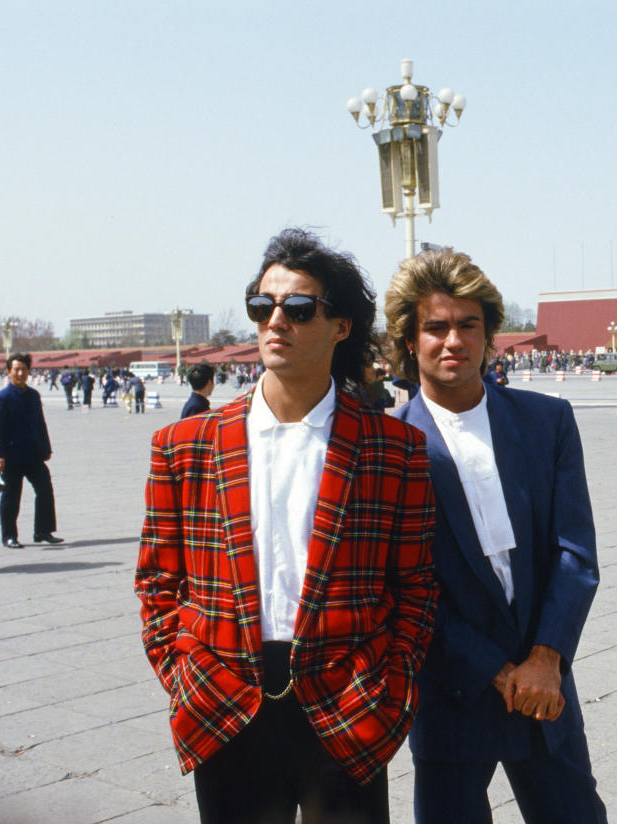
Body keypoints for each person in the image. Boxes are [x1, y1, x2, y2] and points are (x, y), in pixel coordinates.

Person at [135, 228, 437, 824]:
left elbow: (418, 587)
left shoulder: (393, 448)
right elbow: (156, 583)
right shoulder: (185, 446)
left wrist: (391, 682)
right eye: (262, 305)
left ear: (341, 326)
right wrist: (183, 675)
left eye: (299, 309)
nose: (276, 321)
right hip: (224, 700)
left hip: (348, 702)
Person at [384, 248, 608, 824]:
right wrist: (496, 669)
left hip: (545, 683)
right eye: (435, 327)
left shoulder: (545, 421)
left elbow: (575, 554)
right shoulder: (388, 447)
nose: (452, 340)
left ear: (490, 336)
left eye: (467, 325)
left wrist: (544, 658)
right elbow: (402, 590)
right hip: (451, 689)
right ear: (410, 341)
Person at [0, 353, 63, 548]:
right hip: (11, 456)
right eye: (16, 369)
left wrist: (46, 448)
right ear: (9, 372)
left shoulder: (33, 395)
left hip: (33, 454)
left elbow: (40, 423)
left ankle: (43, 531)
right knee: (11, 497)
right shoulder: (1, 398)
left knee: (45, 490)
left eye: (24, 369)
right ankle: (9, 536)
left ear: (29, 371)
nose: (20, 373)